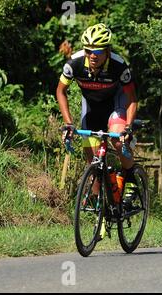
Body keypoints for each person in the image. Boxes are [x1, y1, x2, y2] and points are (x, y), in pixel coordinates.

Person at [57, 23, 138, 182]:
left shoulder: (118, 65)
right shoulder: (74, 64)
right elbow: (60, 91)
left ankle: (130, 181)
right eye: (88, 50)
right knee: (92, 164)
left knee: (118, 141)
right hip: (91, 108)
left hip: (116, 104)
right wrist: (68, 123)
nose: (93, 55)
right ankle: (98, 202)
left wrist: (128, 126)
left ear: (107, 50)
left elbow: (132, 98)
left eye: (98, 51)